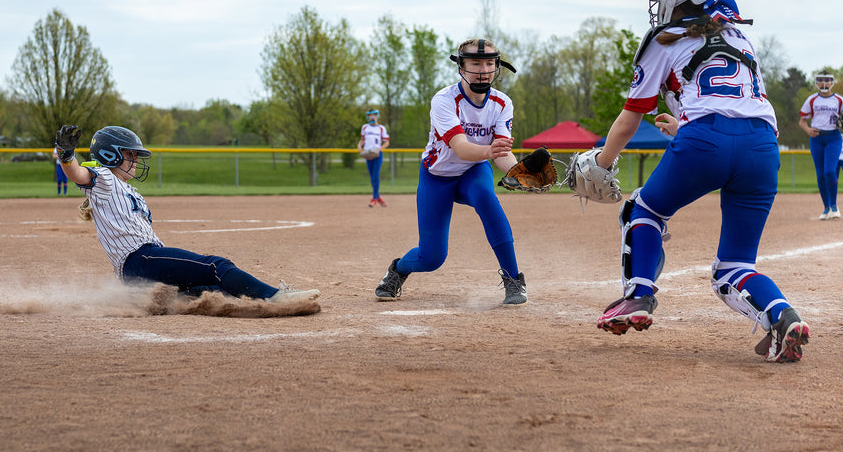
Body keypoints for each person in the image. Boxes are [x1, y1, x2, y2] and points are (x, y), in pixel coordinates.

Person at [589, 0, 810, 362]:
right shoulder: (739, 35)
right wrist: (685, 127)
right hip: (763, 148)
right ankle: (782, 317)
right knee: (735, 266)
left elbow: (630, 117)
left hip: (706, 141)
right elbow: (734, 106)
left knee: (642, 210)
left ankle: (638, 294)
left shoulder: (665, 38)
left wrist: (601, 163)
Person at [53, 124, 319, 305]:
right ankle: (275, 297)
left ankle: (188, 301)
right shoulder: (106, 179)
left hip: (142, 268)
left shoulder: (125, 188)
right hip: (141, 260)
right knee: (216, 266)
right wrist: (67, 156)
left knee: (211, 290)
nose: (136, 160)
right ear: (110, 155)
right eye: (130, 154)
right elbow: (78, 174)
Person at [373, 38, 528, 305]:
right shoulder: (444, 100)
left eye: (489, 63)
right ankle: (398, 268)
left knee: (486, 198)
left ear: (497, 66)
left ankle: (514, 281)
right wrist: (491, 151)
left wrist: (518, 172)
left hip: (473, 171)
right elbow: (461, 148)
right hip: (438, 177)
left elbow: (501, 153)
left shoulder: (502, 103)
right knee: (431, 258)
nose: (483, 70)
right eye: (475, 63)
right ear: (461, 66)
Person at [799, 71, 843, 219]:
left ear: (832, 82)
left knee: (829, 171)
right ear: (816, 83)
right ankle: (826, 208)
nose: (824, 83)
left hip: (833, 137)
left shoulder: (839, 100)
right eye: (820, 80)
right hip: (816, 138)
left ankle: (834, 206)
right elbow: (802, 121)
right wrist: (808, 130)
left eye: (827, 80)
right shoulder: (812, 99)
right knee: (821, 175)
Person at [357, 109, 390, 207]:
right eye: (370, 115)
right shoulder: (365, 127)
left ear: (377, 116)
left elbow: (387, 142)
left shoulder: (381, 128)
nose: (371, 117)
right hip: (368, 154)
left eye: (373, 115)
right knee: (372, 178)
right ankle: (378, 197)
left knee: (375, 176)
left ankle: (374, 199)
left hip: (377, 155)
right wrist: (359, 146)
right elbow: (362, 140)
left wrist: (379, 149)